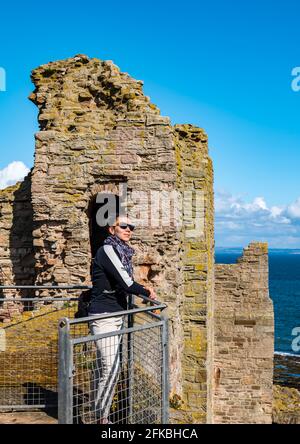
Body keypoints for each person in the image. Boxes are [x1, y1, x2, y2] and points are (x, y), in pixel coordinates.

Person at [88, 215, 157, 424]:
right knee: (111, 367)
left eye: (131, 227)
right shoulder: (107, 250)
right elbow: (126, 283)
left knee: (105, 366)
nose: (129, 230)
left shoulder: (122, 252)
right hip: (104, 316)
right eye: (124, 226)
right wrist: (146, 289)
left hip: (116, 314)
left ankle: (100, 412)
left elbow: (123, 280)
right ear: (112, 230)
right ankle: (101, 418)